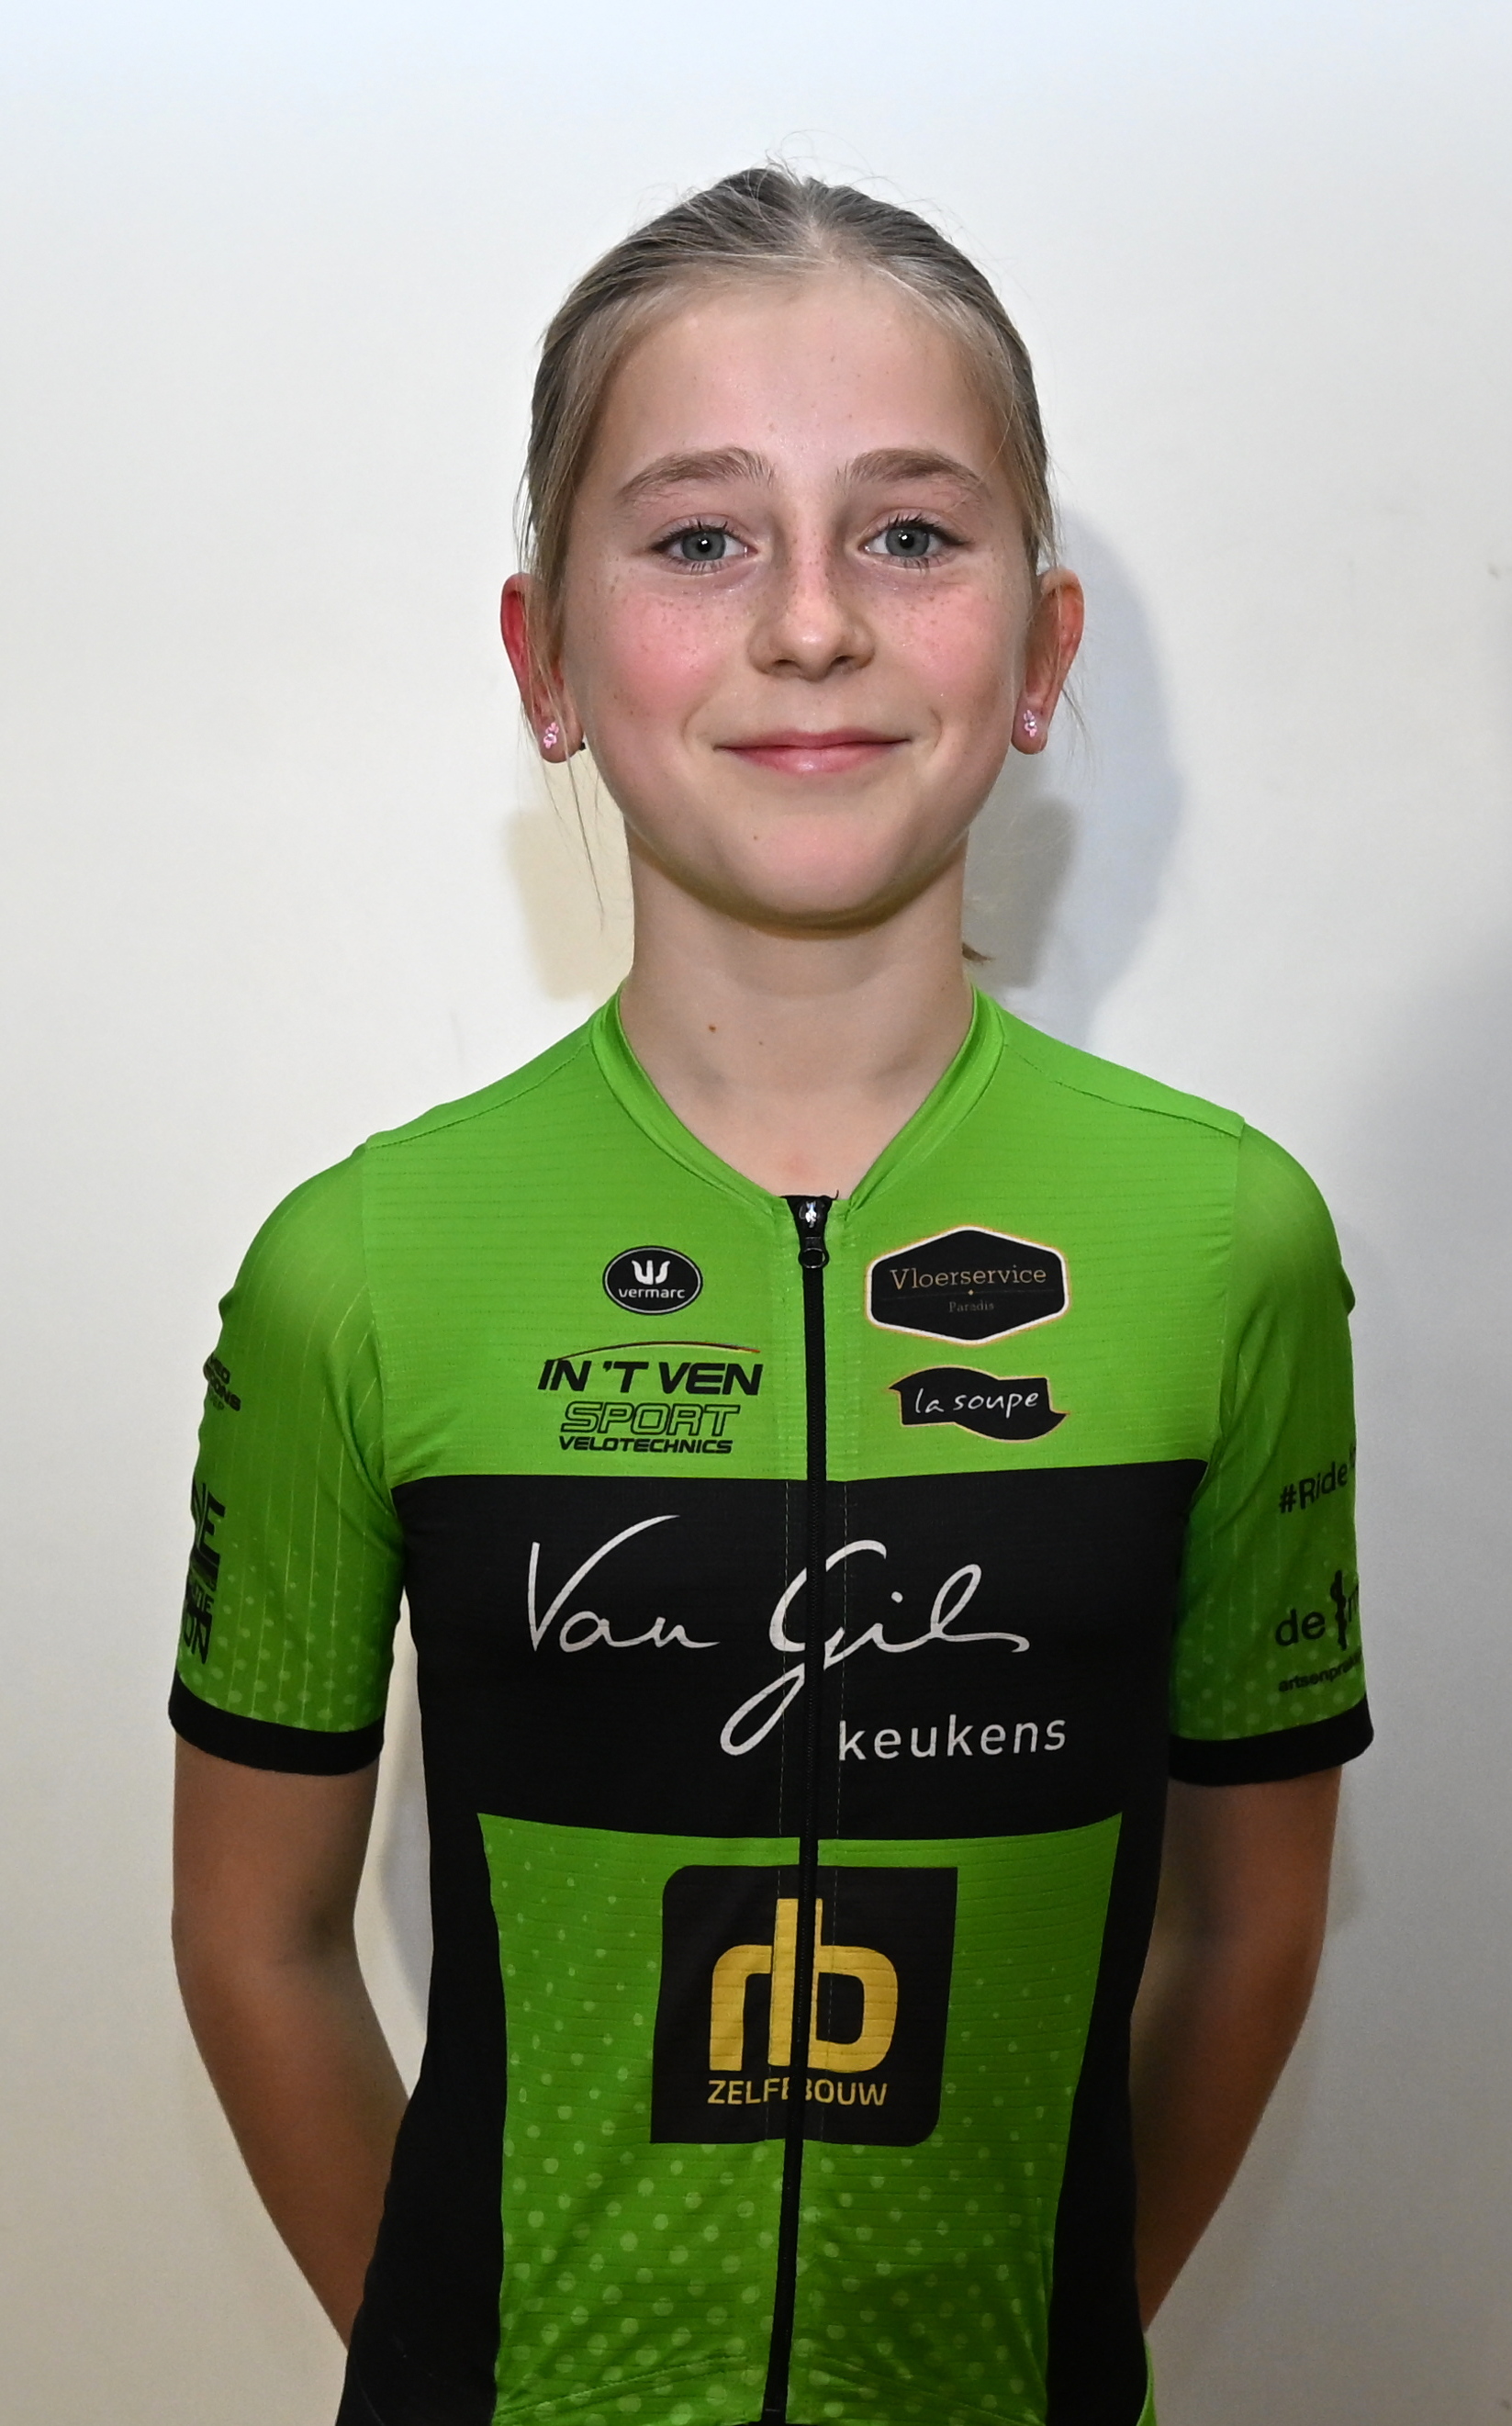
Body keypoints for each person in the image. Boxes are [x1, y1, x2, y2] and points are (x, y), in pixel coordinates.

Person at [170, 167, 1370, 2426]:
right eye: (700, 536)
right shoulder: (363, 1266)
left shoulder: (1227, 1244)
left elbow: (1249, 1927)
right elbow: (251, 1936)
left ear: (1038, 654)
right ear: (543, 662)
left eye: (906, 532)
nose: (809, 622)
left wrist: (1016, 2356)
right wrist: (464, 2377)